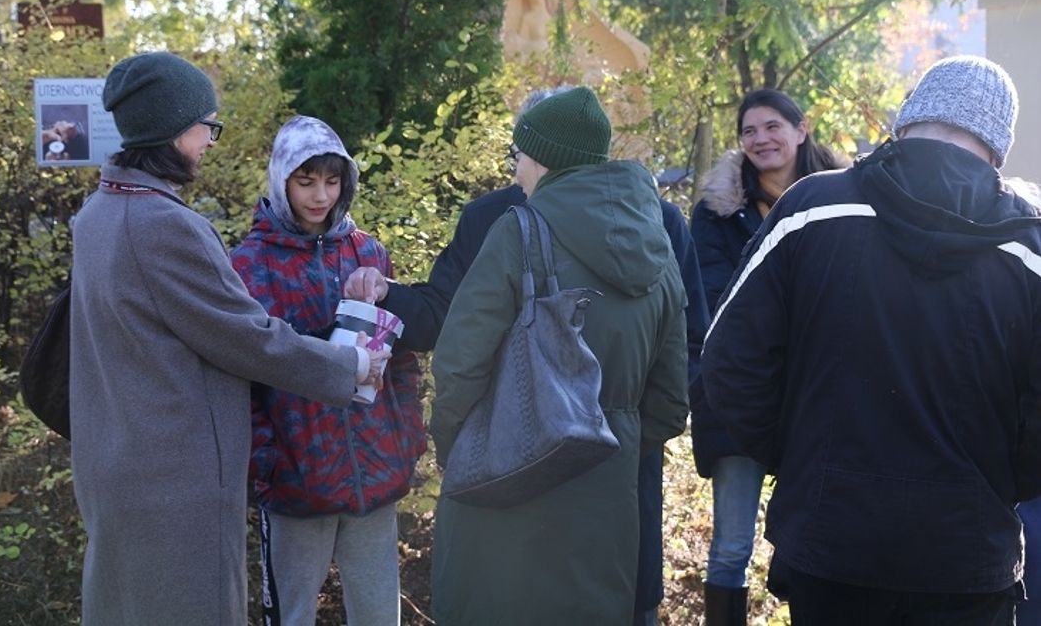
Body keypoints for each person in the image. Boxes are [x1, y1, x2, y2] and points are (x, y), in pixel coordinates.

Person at [344, 88, 710, 625]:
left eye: (518, 156)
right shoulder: (658, 236)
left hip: (508, 479)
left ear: (541, 158)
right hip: (610, 495)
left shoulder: (518, 228)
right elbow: (672, 395)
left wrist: (456, 445)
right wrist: (622, 440)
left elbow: (460, 361)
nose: (515, 173)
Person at [699, 55, 1041, 624]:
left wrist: (803, 460)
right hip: (965, 554)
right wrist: (998, 482)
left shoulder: (810, 207)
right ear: (996, 142)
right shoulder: (1030, 248)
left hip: (830, 542)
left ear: (908, 119)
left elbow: (728, 361)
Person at [69, 52, 388, 626]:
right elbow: (247, 337)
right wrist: (349, 367)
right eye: (205, 126)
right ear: (171, 128)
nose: (210, 140)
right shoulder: (164, 225)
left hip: (119, 460)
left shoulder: (97, 213)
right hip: (171, 476)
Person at [228, 115, 427, 626]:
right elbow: (239, 378)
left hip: (375, 473)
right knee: (292, 616)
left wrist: (407, 439)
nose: (320, 195)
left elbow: (400, 356)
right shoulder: (248, 265)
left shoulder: (368, 252)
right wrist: (266, 463)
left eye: (332, 180)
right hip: (297, 481)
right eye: (306, 180)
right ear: (281, 180)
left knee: (381, 615)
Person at [689, 88, 844, 623]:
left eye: (772, 126)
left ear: (802, 129)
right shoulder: (716, 216)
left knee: (824, 540)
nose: (761, 139)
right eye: (749, 131)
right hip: (740, 396)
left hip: (823, 400)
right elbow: (717, 302)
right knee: (732, 546)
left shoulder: (845, 201)